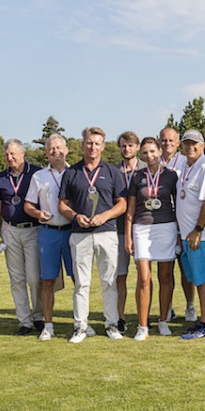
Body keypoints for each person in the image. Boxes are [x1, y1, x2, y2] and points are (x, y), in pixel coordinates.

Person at [59, 127, 128, 342]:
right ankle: (80, 327)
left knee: (109, 281)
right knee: (82, 283)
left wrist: (105, 215)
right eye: (89, 143)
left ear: (103, 146)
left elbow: (123, 203)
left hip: (106, 232)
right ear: (82, 145)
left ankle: (111, 324)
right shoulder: (71, 172)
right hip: (80, 233)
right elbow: (62, 205)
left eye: (97, 143)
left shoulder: (112, 172)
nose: (93, 147)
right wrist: (75, 216)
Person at [125, 137, 179, 340]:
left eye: (152, 151)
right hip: (142, 228)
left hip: (166, 227)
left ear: (159, 151)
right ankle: (143, 325)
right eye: (145, 152)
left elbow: (178, 206)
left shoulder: (171, 176)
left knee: (165, 277)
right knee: (144, 278)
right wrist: (128, 237)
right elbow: (130, 209)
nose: (149, 156)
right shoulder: (137, 176)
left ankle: (163, 320)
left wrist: (180, 235)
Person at [0, 139, 43, 336]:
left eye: (13, 154)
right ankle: (25, 321)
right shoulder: (0, 178)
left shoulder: (37, 172)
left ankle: (38, 316)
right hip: (10, 230)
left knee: (34, 277)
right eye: (6, 154)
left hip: (33, 229)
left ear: (23, 153)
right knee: (17, 279)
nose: (10, 158)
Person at [23, 134, 75, 341]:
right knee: (47, 280)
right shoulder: (39, 176)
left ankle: (81, 322)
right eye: (51, 148)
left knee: (78, 279)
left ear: (67, 149)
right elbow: (28, 204)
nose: (55, 151)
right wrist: (37, 214)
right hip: (49, 232)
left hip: (73, 231)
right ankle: (48, 325)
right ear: (46, 152)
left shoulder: (77, 172)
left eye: (59, 147)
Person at [176, 130, 205, 339]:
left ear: (203, 145)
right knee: (199, 279)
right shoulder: (186, 166)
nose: (190, 147)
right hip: (189, 234)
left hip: (202, 235)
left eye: (194, 143)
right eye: (186, 143)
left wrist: (198, 230)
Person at [159, 126, 194, 322]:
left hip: (183, 221)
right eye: (164, 140)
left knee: (185, 267)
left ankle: (190, 306)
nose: (167, 144)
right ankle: (168, 307)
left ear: (178, 143)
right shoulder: (155, 161)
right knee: (164, 269)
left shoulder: (185, 161)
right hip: (162, 222)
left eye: (171, 141)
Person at [114, 131, 146, 333]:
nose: (127, 149)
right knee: (120, 276)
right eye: (123, 146)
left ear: (137, 147)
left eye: (130, 145)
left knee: (144, 276)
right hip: (117, 229)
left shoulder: (147, 168)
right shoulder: (112, 171)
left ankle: (144, 316)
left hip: (143, 228)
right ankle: (120, 317)